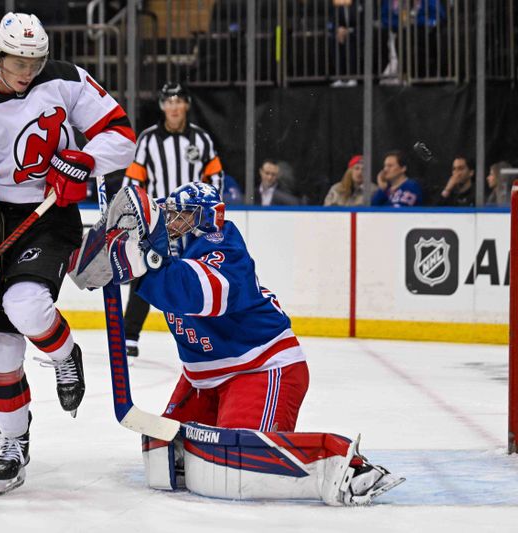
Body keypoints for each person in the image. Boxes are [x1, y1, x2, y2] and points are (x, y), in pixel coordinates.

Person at [71, 182, 403, 506]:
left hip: (261, 368)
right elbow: (167, 277)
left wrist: (142, 267)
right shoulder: (182, 252)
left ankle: (340, 462)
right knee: (163, 456)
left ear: (205, 219)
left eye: (183, 215)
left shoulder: (225, 249)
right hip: (203, 379)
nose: (173, 221)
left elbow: (195, 292)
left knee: (238, 462)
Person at [0, 11, 136, 493]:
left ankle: (65, 354)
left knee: (25, 305)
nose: (26, 71)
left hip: (51, 215)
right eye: (16, 60)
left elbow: (121, 136)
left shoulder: (66, 79)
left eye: (34, 60)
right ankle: (14, 442)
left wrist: (83, 162)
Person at [121, 81, 224, 358]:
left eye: (178, 101)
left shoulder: (201, 139)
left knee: (194, 274)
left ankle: (200, 332)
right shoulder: (148, 139)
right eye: (169, 101)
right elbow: (133, 179)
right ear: (162, 106)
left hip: (194, 222)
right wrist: (137, 214)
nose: (174, 106)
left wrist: (209, 212)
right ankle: (129, 335)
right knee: (144, 272)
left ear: (187, 104)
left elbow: (215, 175)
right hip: (157, 220)